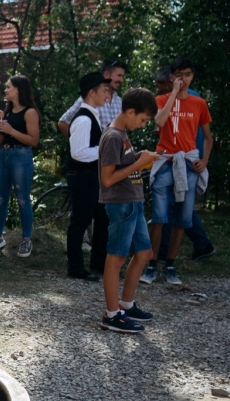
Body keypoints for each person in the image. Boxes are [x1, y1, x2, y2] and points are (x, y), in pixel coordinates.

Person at [144, 57, 214, 286]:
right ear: (172, 77)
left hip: (188, 163)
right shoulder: (162, 98)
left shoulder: (199, 103)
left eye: (188, 75)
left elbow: (208, 136)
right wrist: (173, 94)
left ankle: (170, 265)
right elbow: (160, 121)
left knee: (183, 218)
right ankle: (152, 264)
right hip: (165, 161)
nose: (184, 79)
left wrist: (204, 160)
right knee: (159, 216)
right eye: (179, 75)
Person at [98, 88, 161, 333]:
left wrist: (141, 159)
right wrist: (139, 162)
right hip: (120, 203)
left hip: (133, 202)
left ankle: (126, 304)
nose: (144, 125)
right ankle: (111, 314)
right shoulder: (113, 136)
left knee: (144, 253)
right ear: (130, 112)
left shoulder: (122, 134)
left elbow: (126, 165)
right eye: (143, 120)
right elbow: (107, 179)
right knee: (117, 257)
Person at [0, 75, 40, 257]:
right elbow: (0, 140)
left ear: (18, 89)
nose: (6, 90)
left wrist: (11, 130)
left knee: (23, 199)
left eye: (9, 87)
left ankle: (26, 239)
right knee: (0, 198)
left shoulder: (30, 112)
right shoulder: (7, 112)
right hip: (5, 155)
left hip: (21, 155)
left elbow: (33, 140)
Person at [66, 71, 112, 280]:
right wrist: (106, 153)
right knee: (81, 221)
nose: (108, 95)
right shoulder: (84, 119)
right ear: (92, 92)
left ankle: (98, 262)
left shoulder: (92, 115)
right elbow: (79, 152)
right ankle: (75, 268)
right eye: (104, 90)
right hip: (83, 175)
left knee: (102, 218)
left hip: (91, 175)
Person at [58, 59, 127, 137]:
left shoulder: (119, 102)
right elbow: (63, 122)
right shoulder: (90, 98)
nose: (121, 80)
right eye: (119, 75)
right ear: (107, 74)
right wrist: (76, 142)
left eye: (123, 76)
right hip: (93, 149)